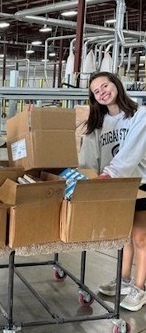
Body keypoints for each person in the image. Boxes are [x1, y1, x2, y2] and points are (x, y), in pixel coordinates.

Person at [83, 71, 146, 312]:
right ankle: (125, 279)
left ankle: (140, 289)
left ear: (116, 84)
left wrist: (107, 174)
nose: (102, 92)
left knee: (140, 237)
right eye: (96, 91)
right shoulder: (98, 124)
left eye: (105, 85)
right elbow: (89, 158)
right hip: (113, 184)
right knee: (124, 236)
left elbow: (130, 153)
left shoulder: (140, 115)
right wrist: (84, 178)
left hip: (139, 183)